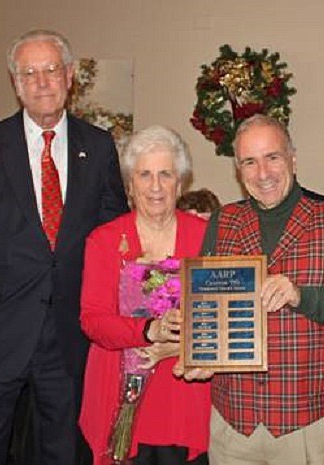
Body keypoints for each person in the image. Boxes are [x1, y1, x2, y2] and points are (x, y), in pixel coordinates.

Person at [0, 29, 128, 465]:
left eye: (51, 70)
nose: (42, 82)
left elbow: (114, 241)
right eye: (30, 73)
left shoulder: (97, 147)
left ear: (70, 75)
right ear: (16, 83)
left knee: (64, 453)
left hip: (70, 339)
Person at [175, 114, 324, 465]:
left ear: (293, 158)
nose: (263, 173)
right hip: (234, 424)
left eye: (273, 157)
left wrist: (302, 295)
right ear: (238, 170)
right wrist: (203, 356)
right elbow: (208, 309)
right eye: (249, 162)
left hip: (311, 426)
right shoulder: (223, 222)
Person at [79, 125, 210, 465]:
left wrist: (178, 344)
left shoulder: (205, 237)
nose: (155, 186)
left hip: (183, 394)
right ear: (129, 185)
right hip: (117, 393)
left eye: (165, 174)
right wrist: (148, 330)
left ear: (180, 184)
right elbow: (93, 320)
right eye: (145, 175)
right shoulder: (104, 240)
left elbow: (220, 316)